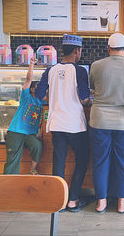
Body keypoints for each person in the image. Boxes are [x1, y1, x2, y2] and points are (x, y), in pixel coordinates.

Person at [35, 34, 90, 212]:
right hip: (75, 124)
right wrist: (89, 101)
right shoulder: (80, 70)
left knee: (58, 160)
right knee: (82, 160)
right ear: (76, 50)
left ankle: (58, 200)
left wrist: (55, 99)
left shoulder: (50, 70)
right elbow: (84, 99)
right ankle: (73, 199)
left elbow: (38, 94)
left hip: (56, 123)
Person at [89, 33, 124, 213]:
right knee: (123, 162)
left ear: (108, 49)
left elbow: (93, 89)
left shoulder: (95, 66)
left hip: (99, 121)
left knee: (100, 161)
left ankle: (101, 202)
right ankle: (121, 203)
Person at [3, 58, 43, 175]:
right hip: (16, 132)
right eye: (37, 86)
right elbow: (29, 79)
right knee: (12, 161)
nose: (40, 88)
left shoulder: (41, 102)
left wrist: (40, 131)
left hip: (30, 134)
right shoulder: (26, 97)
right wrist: (31, 64)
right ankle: (8, 185)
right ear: (31, 88)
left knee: (37, 146)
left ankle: (32, 169)